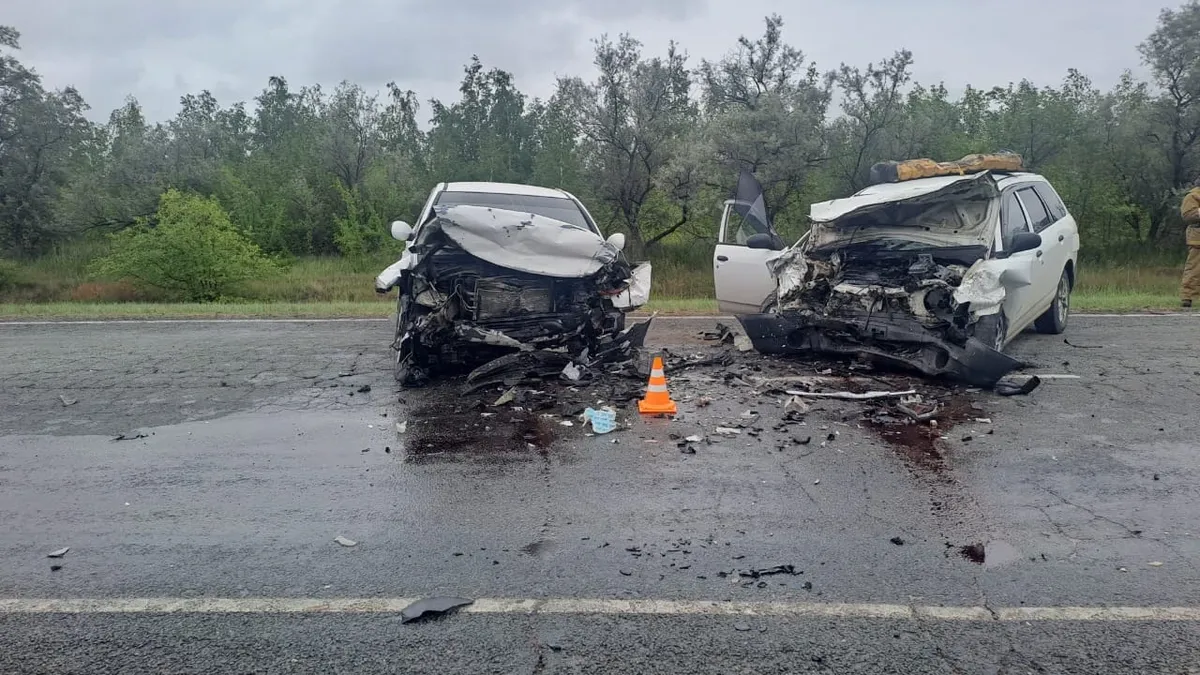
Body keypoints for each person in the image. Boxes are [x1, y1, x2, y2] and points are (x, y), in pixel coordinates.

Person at [1182, 182, 1200, 308]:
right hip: (1197, 239)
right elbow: (1188, 215)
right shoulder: (1192, 196)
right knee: (1193, 269)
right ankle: (1187, 297)